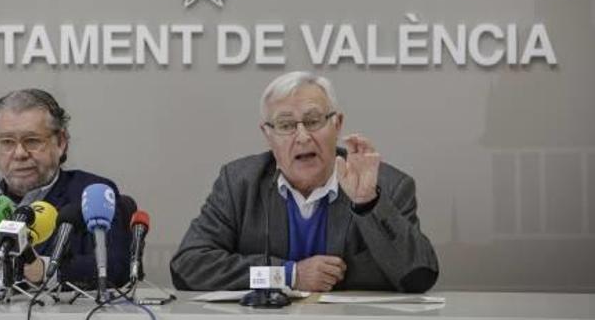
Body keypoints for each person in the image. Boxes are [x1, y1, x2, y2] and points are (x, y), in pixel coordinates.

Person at [170, 71, 439, 292]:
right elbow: (188, 268)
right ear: (267, 134)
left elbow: (418, 276)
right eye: (286, 125)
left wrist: (368, 203)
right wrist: (287, 275)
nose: (302, 137)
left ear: (337, 124)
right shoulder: (240, 183)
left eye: (313, 121)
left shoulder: (385, 186)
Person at [0, 88, 130, 287]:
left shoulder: (90, 195)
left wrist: (43, 270)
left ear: (61, 143)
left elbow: (116, 268)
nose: (19, 153)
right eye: (7, 142)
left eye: (32, 141)